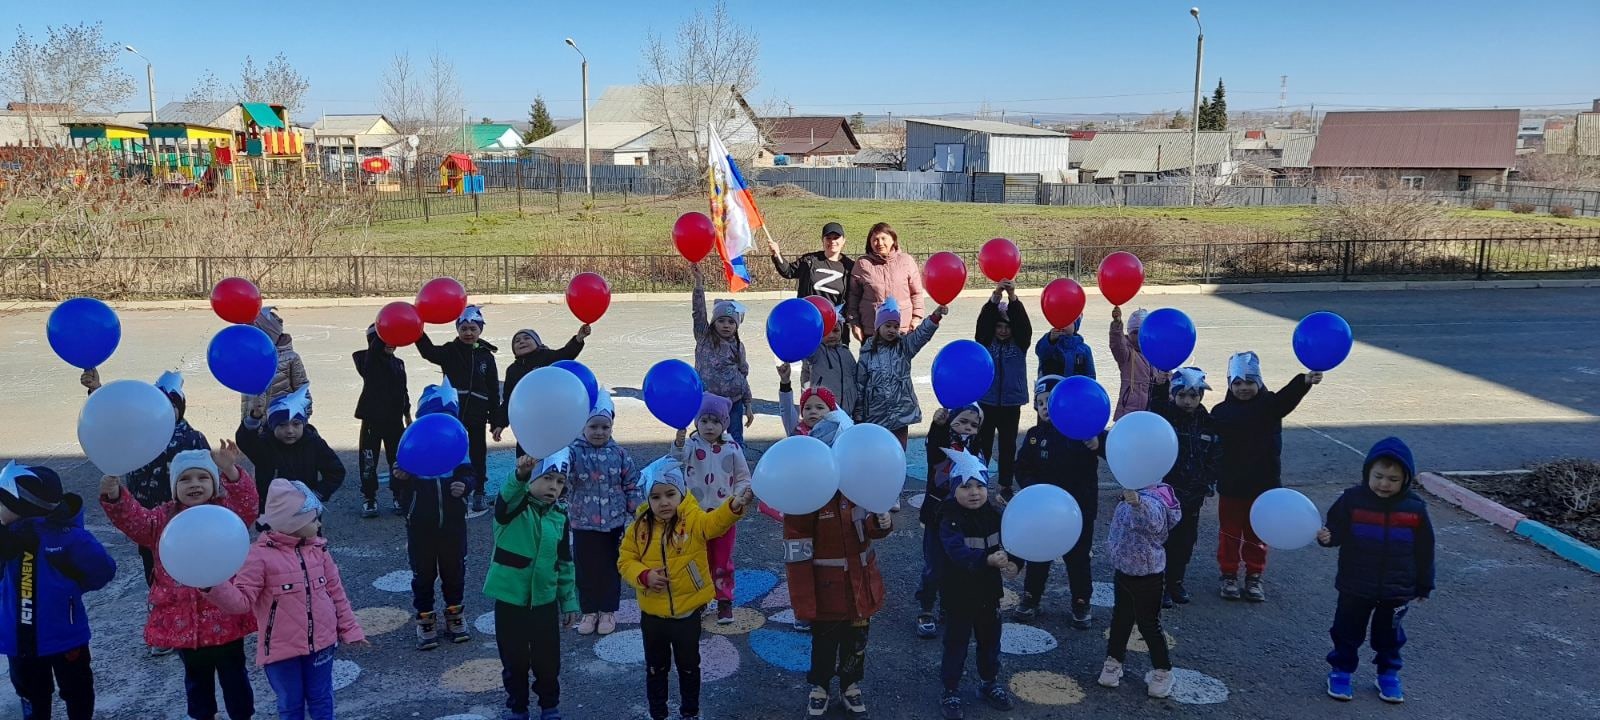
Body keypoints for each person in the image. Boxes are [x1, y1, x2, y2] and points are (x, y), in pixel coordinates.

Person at [100, 444, 258, 720]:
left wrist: (230, 470)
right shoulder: (162, 519)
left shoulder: (227, 514)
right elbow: (135, 521)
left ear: (214, 482)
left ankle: (242, 715)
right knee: (197, 682)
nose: (194, 484)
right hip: (184, 623)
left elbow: (249, 504)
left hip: (226, 618)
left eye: (202, 477)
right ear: (174, 487)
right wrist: (115, 496)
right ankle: (202, 715)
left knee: (235, 676)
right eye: (185, 479)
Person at [204, 479, 367, 720]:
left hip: (322, 643)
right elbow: (242, 602)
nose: (318, 524)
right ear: (293, 523)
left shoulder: (319, 550)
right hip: (281, 650)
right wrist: (212, 585)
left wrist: (350, 629)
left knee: (321, 697)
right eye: (313, 519)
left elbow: (336, 593)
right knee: (290, 703)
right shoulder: (258, 557)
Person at [80, 368, 209, 655]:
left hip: (186, 519)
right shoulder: (136, 432)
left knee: (191, 571)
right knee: (156, 574)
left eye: (172, 407)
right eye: (160, 406)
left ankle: (199, 621)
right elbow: (109, 425)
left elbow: (208, 474)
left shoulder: (193, 438)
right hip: (149, 519)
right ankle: (166, 629)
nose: (165, 413)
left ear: (180, 409)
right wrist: (96, 390)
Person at [619, 464, 753, 720]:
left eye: (670, 494)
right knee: (656, 668)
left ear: (681, 492)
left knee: (689, 666)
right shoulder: (639, 528)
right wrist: (644, 575)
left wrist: (734, 506)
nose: (664, 502)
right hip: (653, 615)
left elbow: (715, 523)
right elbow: (625, 561)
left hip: (687, 614)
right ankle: (658, 712)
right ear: (647, 499)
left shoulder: (693, 519)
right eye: (655, 497)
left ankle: (689, 712)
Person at [1317, 437, 1434, 704]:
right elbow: (1336, 529)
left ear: (1405, 479)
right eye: (1379, 476)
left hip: (1397, 589)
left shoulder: (1415, 508)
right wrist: (1328, 537)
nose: (1384, 484)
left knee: (1390, 636)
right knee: (1347, 630)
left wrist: (1424, 584)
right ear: (1367, 473)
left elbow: (1425, 550)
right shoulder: (1352, 500)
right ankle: (1341, 670)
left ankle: (1388, 674)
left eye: (1393, 479)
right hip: (1355, 584)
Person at [0, 462, 117, 720]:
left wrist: (71, 588)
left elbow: (103, 569)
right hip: (19, 641)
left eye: (3, 503)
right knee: (32, 694)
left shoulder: (66, 537)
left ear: (23, 509)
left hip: (65, 636)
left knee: (77, 690)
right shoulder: (5, 537)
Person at [1211, 351, 1322, 602]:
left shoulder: (1270, 406)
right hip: (1231, 485)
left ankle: (1254, 575)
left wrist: (1304, 381)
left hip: (1264, 486)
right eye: (1237, 383)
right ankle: (1228, 574)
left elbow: (1287, 398)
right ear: (1229, 384)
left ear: (1259, 383)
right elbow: (1211, 447)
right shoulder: (1220, 412)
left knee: (1257, 533)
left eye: (1250, 382)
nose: (1244, 388)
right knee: (1229, 533)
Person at [485, 451, 579, 720]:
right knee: (514, 660)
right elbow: (506, 498)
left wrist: (568, 601)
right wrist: (520, 475)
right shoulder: (513, 510)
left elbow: (564, 563)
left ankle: (550, 706)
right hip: (510, 601)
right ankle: (517, 707)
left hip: (544, 602)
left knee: (548, 661)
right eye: (547, 478)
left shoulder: (559, 516)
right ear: (531, 479)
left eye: (560, 482)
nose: (553, 486)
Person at [935, 448, 1022, 720]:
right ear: (954, 489)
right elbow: (956, 553)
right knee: (956, 642)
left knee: (990, 640)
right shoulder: (948, 517)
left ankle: (988, 682)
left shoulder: (996, 513)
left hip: (988, 592)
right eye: (966, 486)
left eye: (980, 486)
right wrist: (987, 560)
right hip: (958, 593)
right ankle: (950, 688)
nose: (974, 492)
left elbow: (1015, 540)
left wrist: (1016, 563)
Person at [1012, 375, 1105, 628]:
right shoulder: (1033, 436)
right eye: (1040, 402)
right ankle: (1031, 597)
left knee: (1078, 557)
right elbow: (1021, 468)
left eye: (1051, 402)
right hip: (1044, 511)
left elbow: (1113, 449)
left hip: (1080, 508)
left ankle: (1081, 601)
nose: (1045, 407)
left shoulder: (1083, 430)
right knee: (1038, 554)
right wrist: (1033, 490)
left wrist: (1098, 444)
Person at [395, 380, 475, 651]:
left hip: (453, 523)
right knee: (423, 573)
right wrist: (402, 478)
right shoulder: (413, 444)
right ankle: (425, 617)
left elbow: (470, 473)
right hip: (420, 524)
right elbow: (400, 484)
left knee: (454, 570)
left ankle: (455, 613)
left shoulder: (457, 444)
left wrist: (464, 485)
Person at [671, 393, 752, 624]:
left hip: (723, 514)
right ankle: (700, 598)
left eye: (715, 421)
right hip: (693, 516)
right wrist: (678, 441)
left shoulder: (732, 447)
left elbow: (743, 477)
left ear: (724, 423)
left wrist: (737, 499)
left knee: (722, 559)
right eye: (704, 420)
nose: (709, 426)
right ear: (696, 422)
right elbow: (674, 460)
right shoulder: (690, 445)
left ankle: (724, 600)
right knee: (697, 558)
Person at [1097, 481, 1182, 700]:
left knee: (1148, 624)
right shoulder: (1130, 491)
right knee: (1120, 619)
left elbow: (1154, 523)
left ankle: (1163, 670)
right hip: (1124, 569)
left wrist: (1139, 503)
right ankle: (1113, 661)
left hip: (1148, 574)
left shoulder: (1157, 497)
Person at [565, 395, 640, 637]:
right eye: (593, 426)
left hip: (613, 523)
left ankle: (607, 610)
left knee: (610, 567)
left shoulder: (619, 453)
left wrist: (638, 510)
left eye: (605, 427)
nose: (599, 432)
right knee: (585, 568)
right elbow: (563, 480)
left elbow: (631, 484)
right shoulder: (573, 452)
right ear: (583, 427)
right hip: (582, 522)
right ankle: (589, 610)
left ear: (612, 427)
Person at [1149, 367, 1223, 607]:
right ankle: (1159, 585)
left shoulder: (1208, 422)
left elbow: (1216, 455)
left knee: (1185, 542)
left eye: (1194, 395)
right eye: (1182, 395)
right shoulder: (1165, 417)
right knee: (1162, 539)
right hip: (1166, 493)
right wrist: (1160, 384)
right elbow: (1154, 407)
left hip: (1193, 495)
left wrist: (1207, 480)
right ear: (1174, 395)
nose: (1188, 401)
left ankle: (1176, 582)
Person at [416, 305, 500, 512]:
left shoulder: (486, 356)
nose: (468, 333)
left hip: (477, 413)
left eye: (473, 328)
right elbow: (428, 352)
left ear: (480, 330)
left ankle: (479, 490)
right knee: (452, 449)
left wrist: (496, 419)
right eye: (464, 329)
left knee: (477, 452)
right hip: (452, 412)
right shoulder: (449, 351)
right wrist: (418, 330)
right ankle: (453, 487)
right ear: (457, 330)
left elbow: (493, 388)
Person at [916, 404, 985, 638]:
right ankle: (926, 608)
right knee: (934, 566)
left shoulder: (976, 448)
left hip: (963, 518)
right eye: (962, 421)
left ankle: (948, 603)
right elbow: (934, 445)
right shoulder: (941, 446)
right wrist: (939, 424)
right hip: (937, 516)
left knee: (957, 564)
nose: (967, 428)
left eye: (974, 425)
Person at [855, 297, 948, 448]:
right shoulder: (867, 352)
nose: (892, 330)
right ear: (878, 326)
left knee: (899, 450)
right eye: (888, 325)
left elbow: (920, 335)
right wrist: (858, 414)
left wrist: (935, 317)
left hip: (900, 414)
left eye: (896, 326)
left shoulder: (904, 347)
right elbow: (860, 384)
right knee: (880, 451)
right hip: (876, 414)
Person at [237, 386, 345, 513]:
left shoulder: (313, 443)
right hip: (272, 511)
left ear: (303, 424)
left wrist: (317, 494)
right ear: (272, 426)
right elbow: (246, 442)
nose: (289, 430)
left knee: (307, 533)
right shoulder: (266, 444)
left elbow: (336, 471)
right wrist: (255, 416)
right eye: (282, 425)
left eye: (296, 424)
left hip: (306, 512)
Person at [499, 325, 592, 458]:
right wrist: (500, 423)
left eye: (526, 338)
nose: (521, 341)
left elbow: (566, 353)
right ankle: (526, 475)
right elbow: (509, 399)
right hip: (527, 420)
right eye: (517, 341)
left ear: (538, 343)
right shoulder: (512, 370)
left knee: (555, 451)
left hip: (553, 415)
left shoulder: (548, 357)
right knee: (526, 455)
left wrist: (578, 339)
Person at [974, 281, 1032, 490]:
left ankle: (1005, 485)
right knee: (983, 446)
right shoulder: (986, 342)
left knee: (1008, 447)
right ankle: (979, 481)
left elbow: (1023, 325)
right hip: (987, 401)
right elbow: (983, 323)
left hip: (1010, 403)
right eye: (999, 326)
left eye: (1007, 327)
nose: (1003, 331)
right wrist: (996, 296)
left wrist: (1013, 297)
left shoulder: (1020, 343)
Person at [690, 266, 755, 444]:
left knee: (735, 440)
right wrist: (698, 284)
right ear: (713, 322)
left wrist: (748, 404)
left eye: (730, 322)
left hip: (733, 401)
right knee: (707, 438)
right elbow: (698, 313)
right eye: (721, 321)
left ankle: (736, 469)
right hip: (708, 400)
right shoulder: (704, 337)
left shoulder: (738, 346)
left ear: (736, 326)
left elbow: (743, 375)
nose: (726, 325)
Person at [353, 324, 411, 518]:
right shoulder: (367, 360)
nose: (390, 344)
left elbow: (404, 390)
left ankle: (398, 493)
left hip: (394, 420)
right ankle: (369, 497)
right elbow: (374, 351)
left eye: (393, 340)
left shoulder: (399, 363)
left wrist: (407, 413)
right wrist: (382, 332)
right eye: (385, 339)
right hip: (372, 420)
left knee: (397, 459)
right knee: (369, 459)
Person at [846, 222, 924, 342]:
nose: (880, 243)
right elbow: (853, 296)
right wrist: (854, 323)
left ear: (893, 239)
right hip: (871, 330)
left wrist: (916, 318)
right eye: (875, 240)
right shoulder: (862, 264)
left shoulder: (906, 261)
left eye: (884, 238)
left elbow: (916, 293)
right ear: (870, 243)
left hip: (901, 329)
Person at [241, 306, 311, 420]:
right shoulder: (250, 358)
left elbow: (302, 390)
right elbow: (247, 399)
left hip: (283, 422)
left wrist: (302, 419)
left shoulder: (291, 358)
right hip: (255, 420)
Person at [770, 221, 855, 310]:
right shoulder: (809, 261)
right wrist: (777, 254)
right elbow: (788, 271)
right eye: (828, 238)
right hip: (808, 316)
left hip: (835, 318)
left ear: (843, 241)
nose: (832, 241)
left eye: (836, 238)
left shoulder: (850, 267)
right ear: (822, 240)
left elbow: (854, 297)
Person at [801, 312, 859, 417]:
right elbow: (803, 347)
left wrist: (857, 411)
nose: (832, 335)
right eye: (827, 331)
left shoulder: (846, 352)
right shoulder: (816, 351)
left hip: (847, 413)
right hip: (823, 413)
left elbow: (856, 380)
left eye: (836, 330)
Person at [1108, 306, 1154, 420]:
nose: (1139, 336)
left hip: (1151, 410)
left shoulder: (1155, 354)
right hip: (1128, 410)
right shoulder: (1126, 354)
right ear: (1129, 333)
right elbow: (1117, 344)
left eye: (1143, 332)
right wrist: (1116, 325)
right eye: (1135, 332)